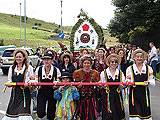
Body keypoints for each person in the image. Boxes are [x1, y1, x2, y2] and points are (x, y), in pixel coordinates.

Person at [2, 49, 34, 120]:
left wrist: (29, 83)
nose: (18, 59)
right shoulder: (12, 68)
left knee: (24, 114)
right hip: (14, 94)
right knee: (12, 114)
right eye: (17, 57)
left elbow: (32, 80)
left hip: (25, 94)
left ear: (24, 58)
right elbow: (9, 80)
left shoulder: (29, 68)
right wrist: (9, 84)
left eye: (20, 57)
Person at [126, 49, 155, 120]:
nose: (139, 58)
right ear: (134, 58)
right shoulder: (129, 69)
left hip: (144, 93)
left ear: (143, 58)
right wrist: (129, 82)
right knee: (135, 112)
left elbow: (152, 81)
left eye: (141, 57)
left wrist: (148, 82)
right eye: (137, 57)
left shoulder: (149, 68)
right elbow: (127, 80)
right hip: (134, 93)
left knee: (145, 110)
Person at [72, 55, 100, 120]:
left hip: (92, 96)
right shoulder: (77, 72)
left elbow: (98, 84)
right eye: (85, 63)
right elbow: (74, 84)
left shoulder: (95, 73)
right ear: (82, 64)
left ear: (91, 64)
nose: (86, 65)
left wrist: (96, 85)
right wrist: (78, 86)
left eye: (88, 63)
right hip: (81, 96)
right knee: (81, 113)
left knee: (91, 113)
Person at [35, 51, 61, 120]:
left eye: (48, 59)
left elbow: (59, 81)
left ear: (52, 60)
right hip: (41, 91)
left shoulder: (56, 70)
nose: (46, 61)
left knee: (51, 114)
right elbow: (36, 79)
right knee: (40, 113)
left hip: (52, 92)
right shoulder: (38, 69)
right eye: (44, 59)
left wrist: (57, 84)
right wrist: (36, 84)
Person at [100, 53, 125, 120]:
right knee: (108, 113)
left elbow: (123, 84)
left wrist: (122, 86)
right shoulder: (103, 73)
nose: (114, 63)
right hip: (107, 96)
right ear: (109, 63)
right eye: (112, 62)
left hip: (117, 96)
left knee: (117, 112)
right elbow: (101, 84)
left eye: (116, 62)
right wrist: (103, 86)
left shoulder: (120, 73)